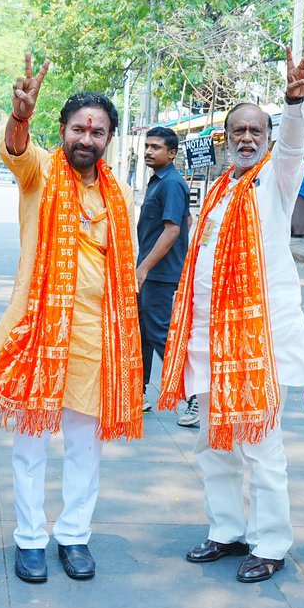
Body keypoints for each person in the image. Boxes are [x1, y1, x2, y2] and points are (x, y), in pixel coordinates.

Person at [157, 47, 304, 584]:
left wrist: (293, 104)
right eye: (238, 131)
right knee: (210, 441)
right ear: (226, 139)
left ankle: (270, 542)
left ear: (268, 139)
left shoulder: (276, 182)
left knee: (260, 446)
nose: (247, 138)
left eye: (257, 131)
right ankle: (226, 530)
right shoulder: (222, 189)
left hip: (256, 343)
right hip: (207, 339)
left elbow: (294, 147)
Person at [0, 53, 141, 584]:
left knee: (83, 449)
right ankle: (30, 538)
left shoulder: (117, 194)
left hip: (96, 338)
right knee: (31, 444)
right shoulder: (41, 170)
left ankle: (74, 536)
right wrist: (19, 118)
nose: (87, 138)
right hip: (39, 332)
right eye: (79, 128)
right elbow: (15, 152)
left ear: (109, 139)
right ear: (62, 130)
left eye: (98, 131)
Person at [135, 126, 190, 414]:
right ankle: (138, 391)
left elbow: (173, 229)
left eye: (155, 147)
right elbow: (188, 218)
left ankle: (191, 393)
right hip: (151, 269)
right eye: (147, 146)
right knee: (142, 331)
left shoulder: (171, 183)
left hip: (158, 272)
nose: (148, 151)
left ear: (171, 153)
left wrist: (144, 267)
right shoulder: (158, 180)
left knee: (159, 334)